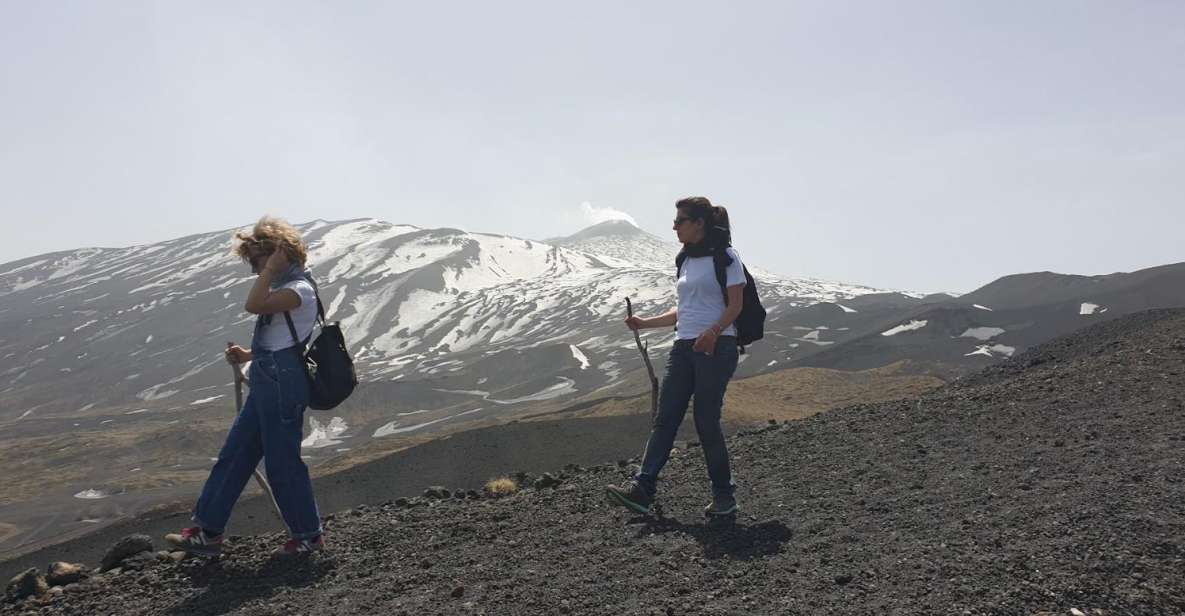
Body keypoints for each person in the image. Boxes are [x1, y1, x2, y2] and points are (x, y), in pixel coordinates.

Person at [165, 216, 325, 557]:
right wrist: (249, 354)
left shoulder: (298, 290)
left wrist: (270, 270)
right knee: (236, 454)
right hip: (271, 378)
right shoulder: (288, 288)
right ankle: (207, 531)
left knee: (282, 462)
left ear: (276, 255)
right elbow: (284, 339)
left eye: (257, 262)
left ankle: (308, 536)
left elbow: (254, 305)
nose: (255, 271)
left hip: (282, 384)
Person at [606, 196, 745, 518]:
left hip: (717, 346)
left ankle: (725, 496)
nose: (674, 226)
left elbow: (735, 306)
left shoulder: (726, 257)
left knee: (706, 422)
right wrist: (645, 322)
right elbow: (683, 311)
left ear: (699, 223)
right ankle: (643, 489)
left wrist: (712, 332)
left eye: (680, 220)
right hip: (683, 347)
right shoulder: (685, 259)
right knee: (666, 418)